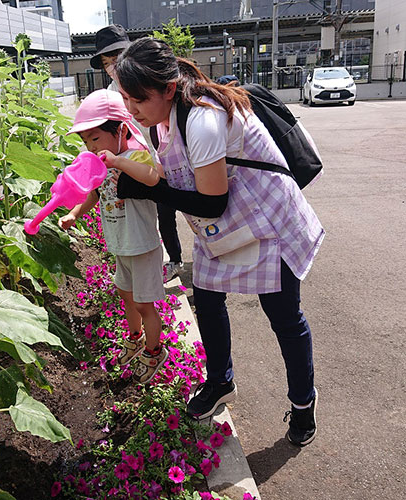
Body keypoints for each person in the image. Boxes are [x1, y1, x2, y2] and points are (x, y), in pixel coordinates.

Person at [114, 37, 325, 446]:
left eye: (137, 99)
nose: (131, 109)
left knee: (284, 317)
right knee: (207, 299)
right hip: (228, 229)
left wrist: (150, 191)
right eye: (126, 98)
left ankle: (303, 402)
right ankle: (219, 381)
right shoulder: (163, 119)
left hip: (267, 224)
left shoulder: (202, 120)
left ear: (169, 88)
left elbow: (211, 202)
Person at [59, 89, 168, 384]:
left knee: (145, 304)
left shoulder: (135, 156)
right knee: (125, 295)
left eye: (95, 138)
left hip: (143, 246)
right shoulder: (100, 165)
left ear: (120, 130)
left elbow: (152, 177)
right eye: (85, 142)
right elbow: (94, 194)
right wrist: (74, 214)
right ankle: (135, 336)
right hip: (121, 245)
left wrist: (117, 162)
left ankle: (155, 349)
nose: (91, 147)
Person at [91, 24, 184, 283]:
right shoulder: (109, 95)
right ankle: (154, 265)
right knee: (146, 216)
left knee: (171, 211)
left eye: (117, 58)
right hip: (133, 163)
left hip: (163, 155)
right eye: (107, 62)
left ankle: (175, 261)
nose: (113, 66)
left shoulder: (150, 79)